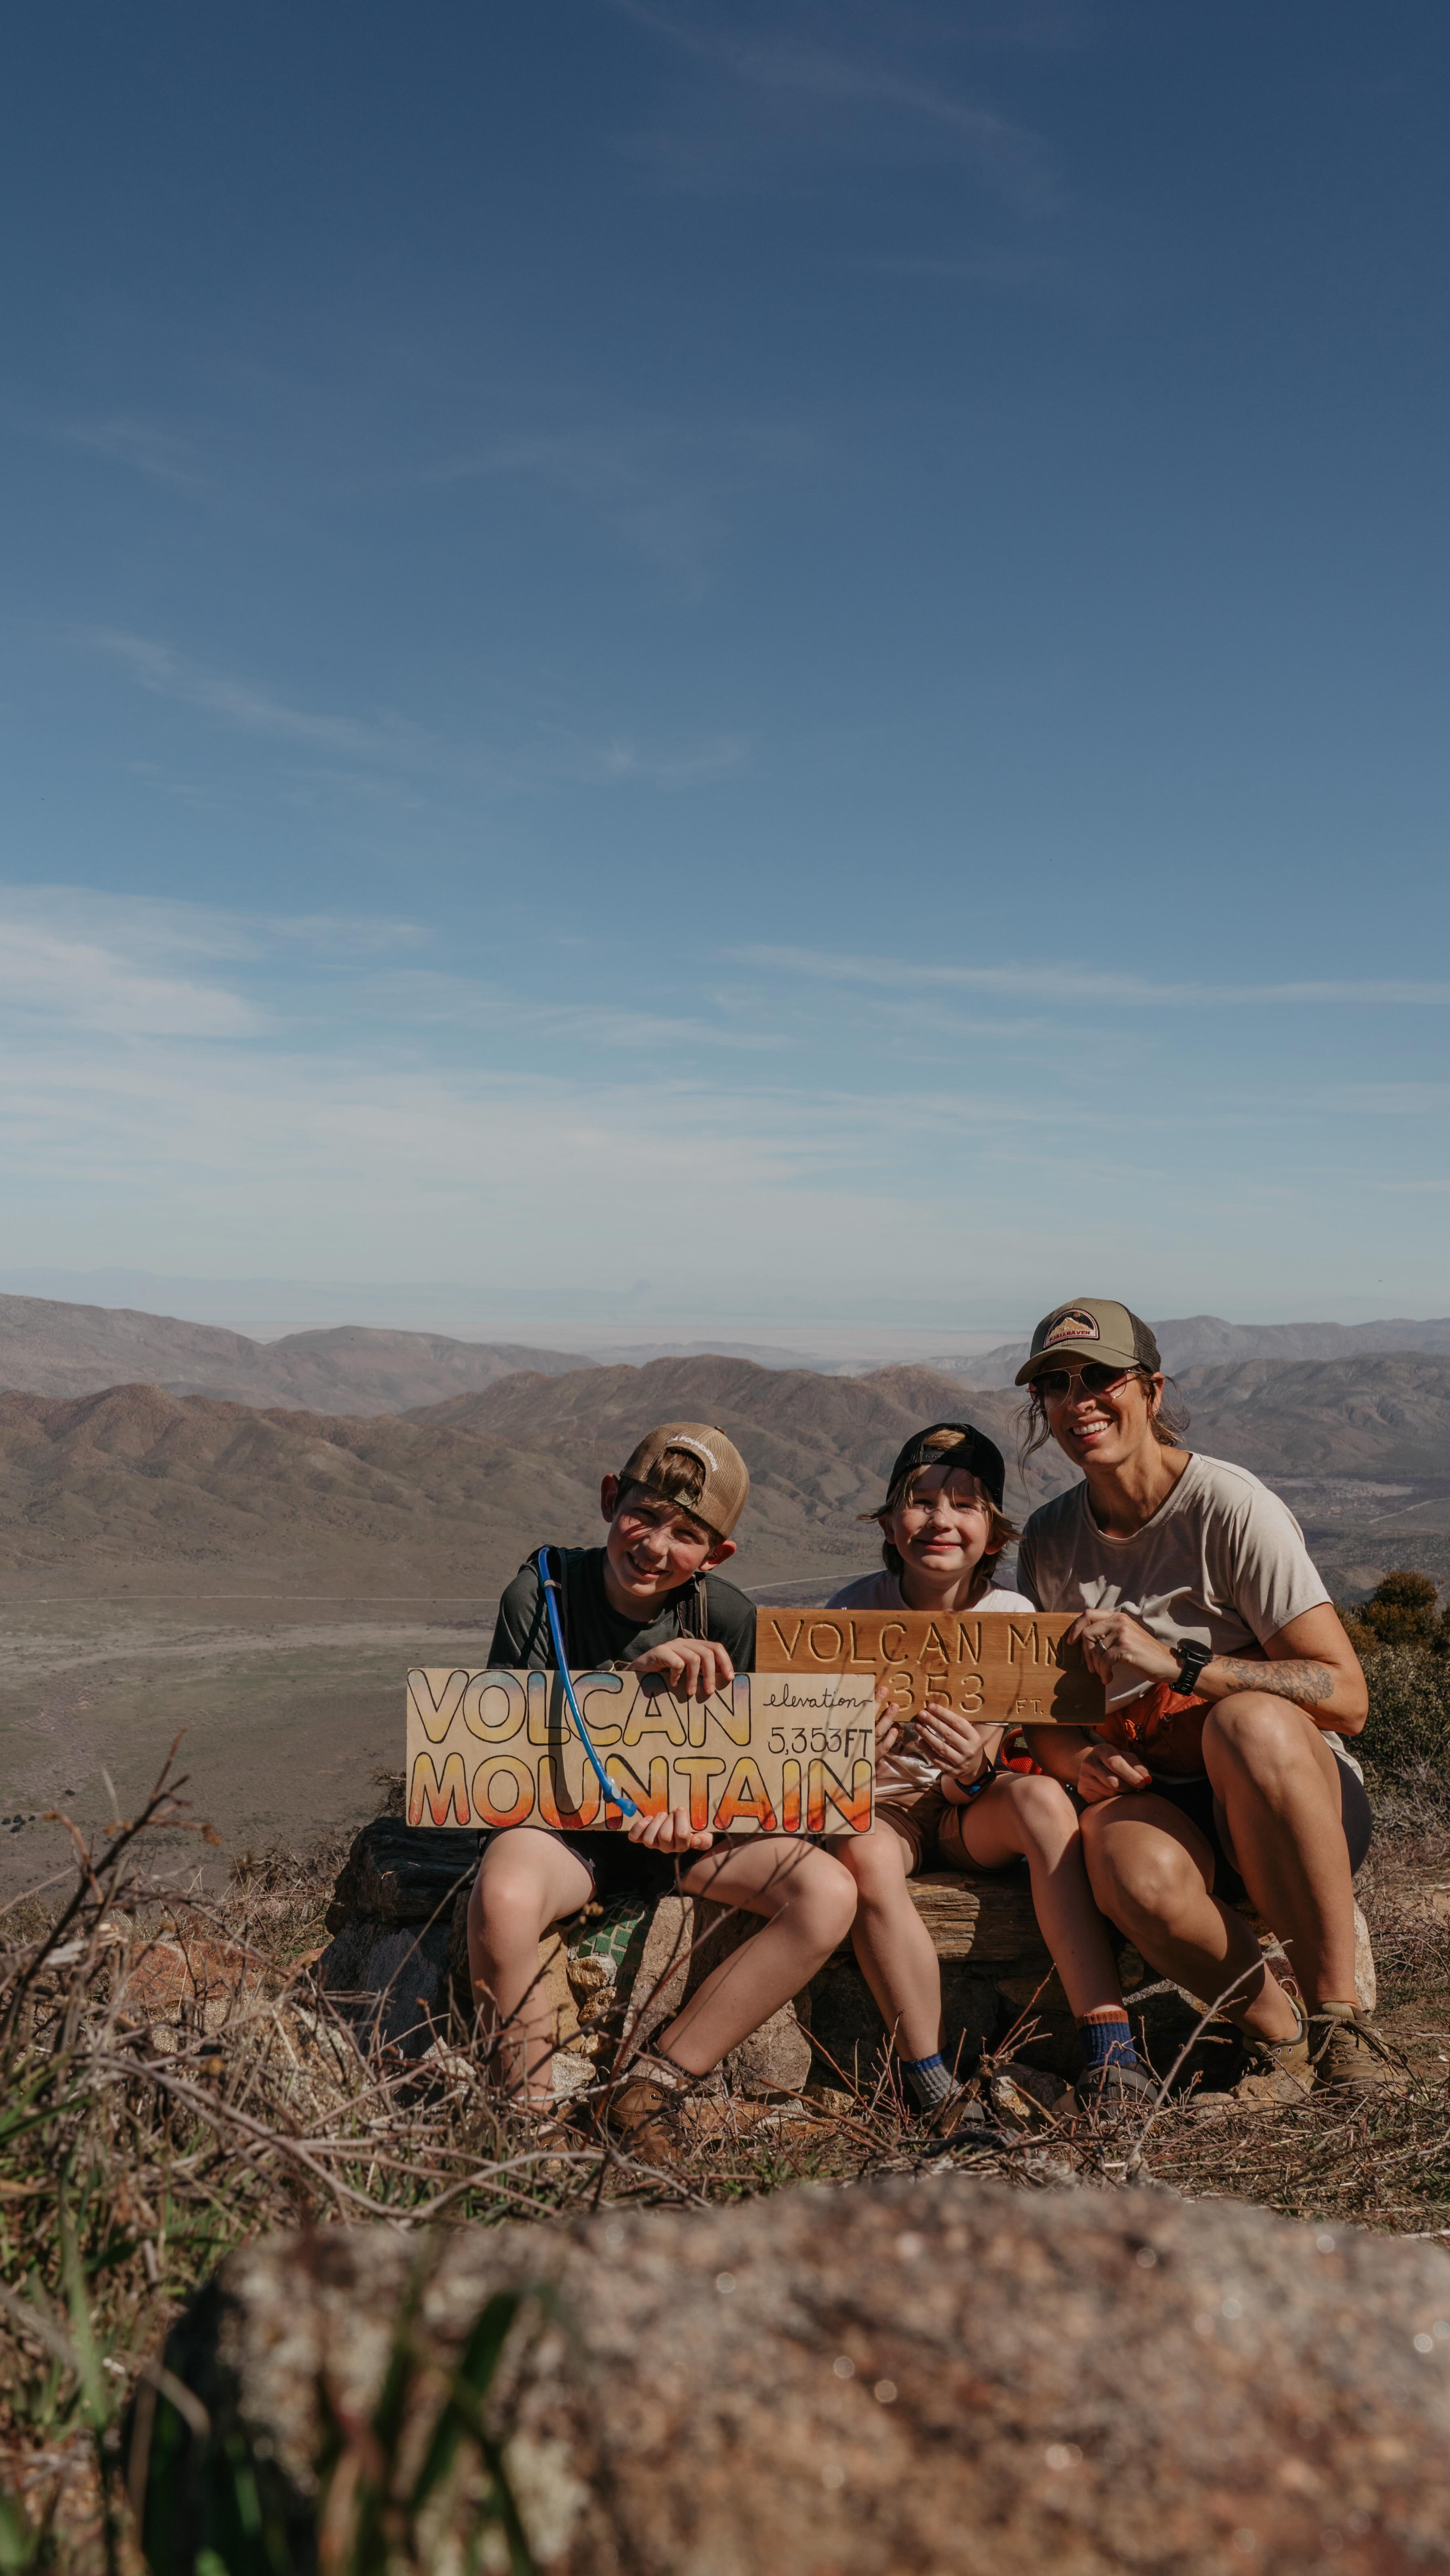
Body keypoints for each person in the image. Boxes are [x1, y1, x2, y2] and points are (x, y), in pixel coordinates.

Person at [1012, 1299, 1385, 2098]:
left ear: (1151, 1391)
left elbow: (1344, 1695)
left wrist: (1178, 1665)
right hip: (1159, 1794)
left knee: (1248, 1724)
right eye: (1054, 1384)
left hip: (1286, 1796)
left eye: (1100, 1376)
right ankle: (1281, 2033)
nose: (1077, 1400)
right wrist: (1079, 1760)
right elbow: (1048, 1715)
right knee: (1119, 1861)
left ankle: (1339, 2016)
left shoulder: (1229, 1506)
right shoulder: (1047, 1538)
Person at [465, 1419, 857, 2155]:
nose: (654, 1545)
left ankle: (652, 2086)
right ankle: (526, 2123)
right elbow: (503, 1750)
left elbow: (747, 1764)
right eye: (643, 1515)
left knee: (826, 1893)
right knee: (504, 1894)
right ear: (609, 1500)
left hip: (682, 1841)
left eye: (686, 1534)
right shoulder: (541, 1593)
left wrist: (703, 1822)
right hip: (567, 1835)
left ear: (717, 1554)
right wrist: (624, 1683)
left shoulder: (727, 1616)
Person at [827, 1423, 1153, 2117]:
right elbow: (816, 1765)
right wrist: (853, 1752)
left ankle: (1110, 2049)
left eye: (965, 1504)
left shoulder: (1010, 1616)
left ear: (994, 1533)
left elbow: (977, 1770)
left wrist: (974, 1771)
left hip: (965, 1807)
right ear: (888, 1523)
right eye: (920, 1502)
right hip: (880, 1808)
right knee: (863, 1854)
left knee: (1039, 1799)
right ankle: (931, 2080)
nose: (940, 1520)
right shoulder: (845, 1615)